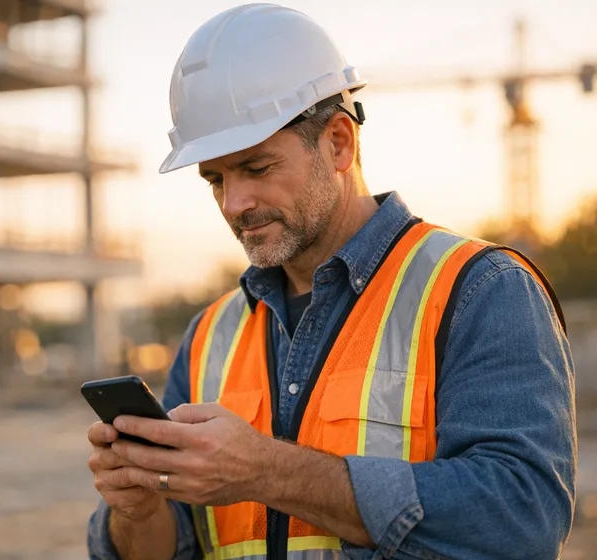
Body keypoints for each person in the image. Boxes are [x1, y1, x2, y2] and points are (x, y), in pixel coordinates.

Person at [86, 4, 576, 559]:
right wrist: (140, 511)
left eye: (256, 167)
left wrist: (266, 471)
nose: (233, 203)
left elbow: (522, 519)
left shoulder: (480, 290)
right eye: (215, 178)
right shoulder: (209, 336)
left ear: (339, 142)